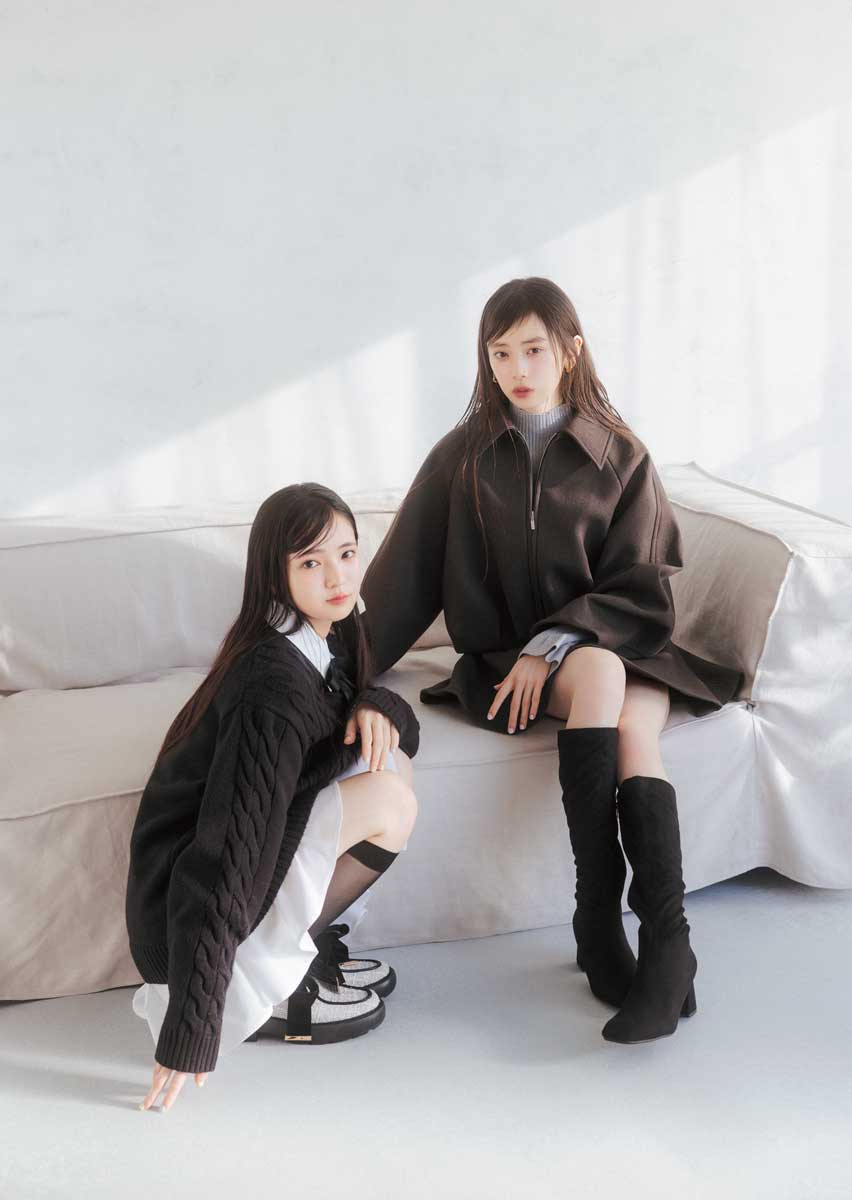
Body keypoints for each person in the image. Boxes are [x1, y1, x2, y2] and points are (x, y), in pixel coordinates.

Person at [360, 277, 744, 1045]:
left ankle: (663, 944)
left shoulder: (620, 456)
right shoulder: (462, 459)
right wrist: (339, 672)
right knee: (600, 679)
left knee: (631, 722)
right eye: (500, 353)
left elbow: (642, 588)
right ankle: (604, 925)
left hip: (627, 643)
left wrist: (555, 641)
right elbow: (399, 582)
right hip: (513, 661)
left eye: (533, 349)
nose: (517, 369)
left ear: (570, 351)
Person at [126, 483, 420, 1111]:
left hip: (248, 845)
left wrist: (379, 703)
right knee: (389, 801)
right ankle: (271, 982)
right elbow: (226, 857)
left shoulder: (331, 629)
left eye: (347, 553)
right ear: (274, 574)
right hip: (183, 904)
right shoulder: (272, 684)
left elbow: (377, 712)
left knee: (390, 761)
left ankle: (297, 949)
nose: (337, 577)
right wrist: (192, 1027)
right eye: (311, 562)